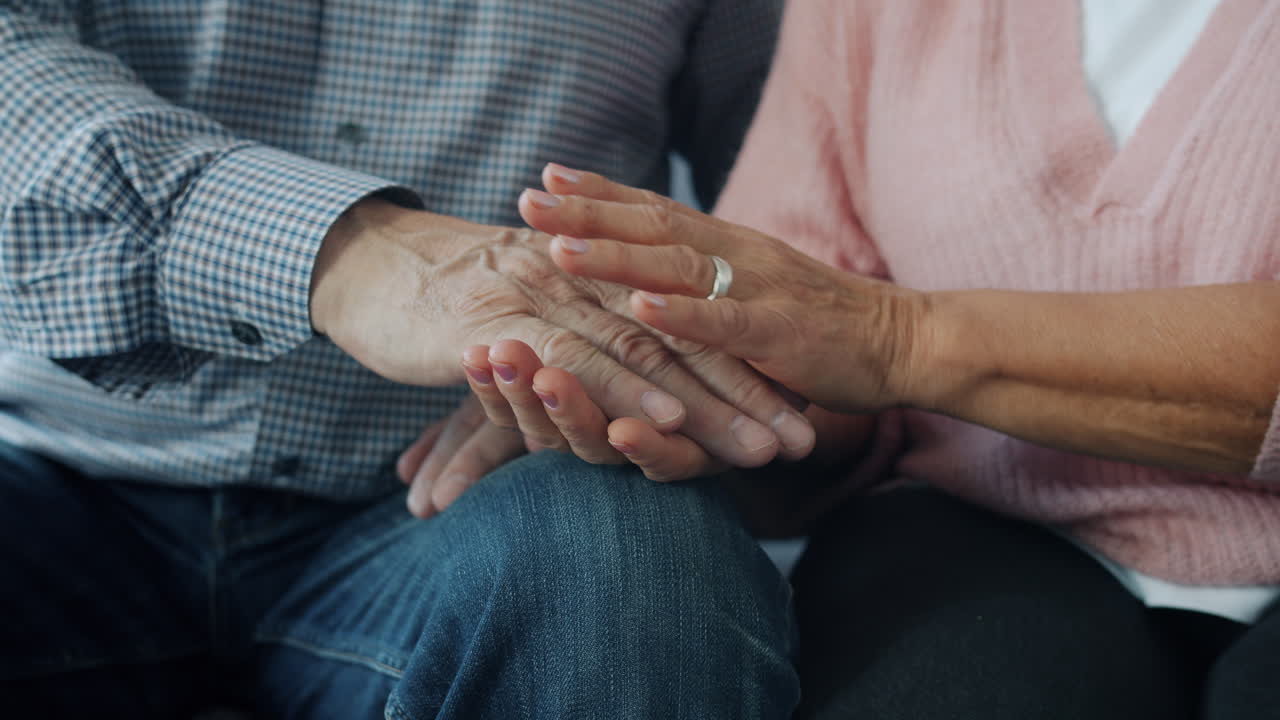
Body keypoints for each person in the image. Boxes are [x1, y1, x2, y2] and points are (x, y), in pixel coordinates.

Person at [431, 0, 1280, 717]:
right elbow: (816, 346)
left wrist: (899, 339)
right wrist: (701, 393)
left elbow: (870, 338)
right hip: (990, 526)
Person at [0, 1, 805, 717]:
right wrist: (344, 255)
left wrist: (682, 369)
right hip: (55, 472)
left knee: (634, 561)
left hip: (468, 496)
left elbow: (793, 218)